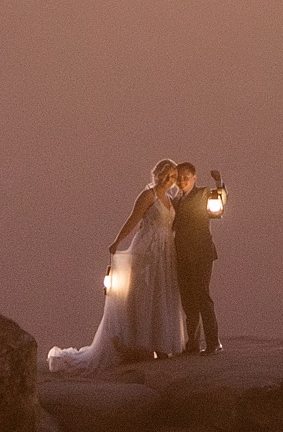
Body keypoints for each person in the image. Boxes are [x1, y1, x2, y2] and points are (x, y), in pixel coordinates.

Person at [47, 159, 184, 373]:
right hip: (148, 249)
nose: (169, 180)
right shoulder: (149, 195)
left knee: (160, 295)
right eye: (166, 175)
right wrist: (117, 242)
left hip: (165, 252)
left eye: (173, 177)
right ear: (157, 174)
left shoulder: (170, 198)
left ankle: (161, 344)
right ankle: (140, 344)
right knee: (143, 295)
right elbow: (133, 219)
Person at [170, 162, 226, 355]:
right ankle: (193, 342)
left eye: (186, 177)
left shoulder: (203, 194)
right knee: (188, 299)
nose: (182, 181)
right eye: (179, 178)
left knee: (202, 295)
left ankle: (213, 341)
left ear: (194, 178)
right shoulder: (175, 199)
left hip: (201, 253)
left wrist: (219, 183)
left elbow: (221, 203)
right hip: (182, 254)